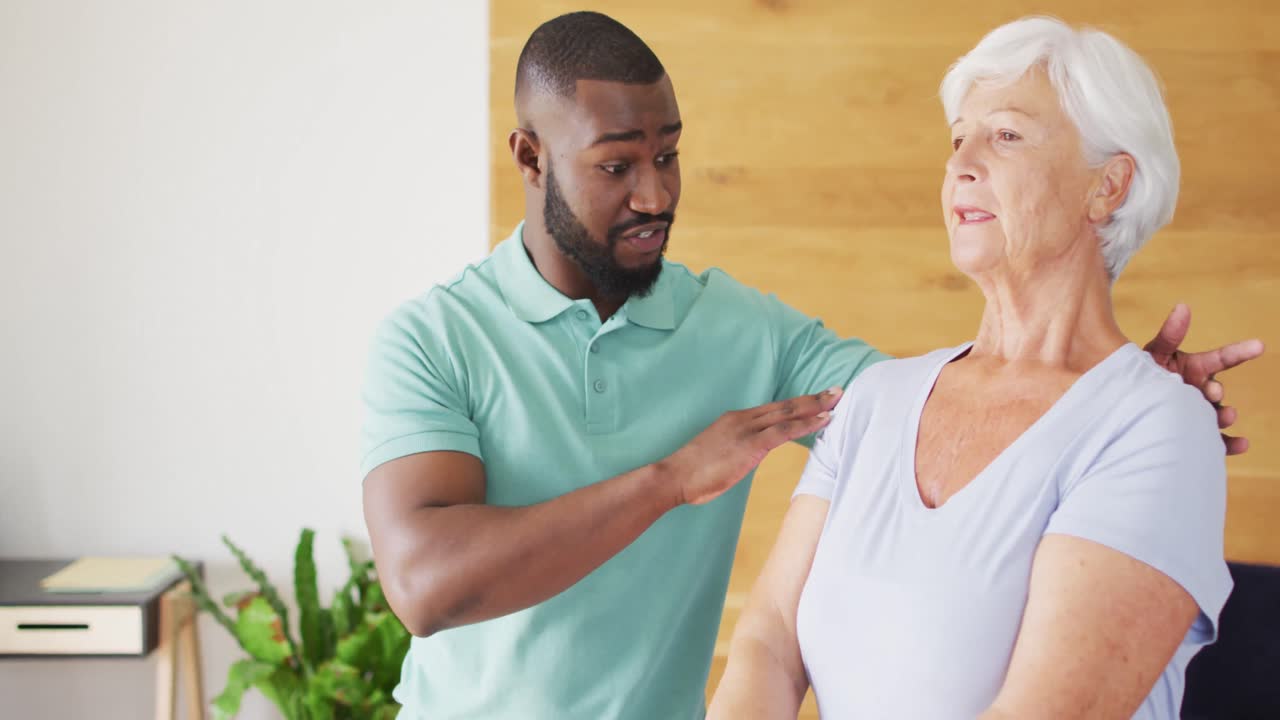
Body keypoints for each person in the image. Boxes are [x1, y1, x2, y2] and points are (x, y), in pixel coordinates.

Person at [360, 11, 1262, 720]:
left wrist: (1124, 397)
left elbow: (974, 413)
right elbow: (428, 585)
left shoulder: (757, 337)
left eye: (668, 156)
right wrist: (674, 477)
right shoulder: (434, 338)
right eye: (616, 166)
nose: (655, 193)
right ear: (529, 157)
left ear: (1110, 184)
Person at [708, 16, 1261, 720]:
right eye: (957, 138)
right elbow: (767, 642)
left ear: (1108, 187)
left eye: (1004, 135)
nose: (961, 162)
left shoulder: (1157, 427)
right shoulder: (877, 397)